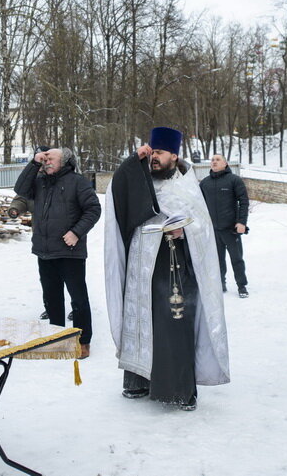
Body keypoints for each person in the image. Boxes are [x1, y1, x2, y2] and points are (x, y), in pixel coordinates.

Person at [105, 127, 230, 410]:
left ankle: (179, 390)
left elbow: (203, 228)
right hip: (142, 270)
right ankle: (138, 382)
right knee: (141, 321)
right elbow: (118, 192)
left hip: (175, 267)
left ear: (174, 155)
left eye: (159, 153)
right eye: (151, 152)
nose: (154, 158)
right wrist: (131, 160)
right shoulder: (140, 179)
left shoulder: (187, 186)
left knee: (173, 327)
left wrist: (184, 232)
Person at [14, 147, 101, 358]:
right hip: (44, 250)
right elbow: (21, 189)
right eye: (45, 159)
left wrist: (76, 232)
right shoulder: (40, 181)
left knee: (78, 299)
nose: (47, 161)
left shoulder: (77, 182)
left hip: (70, 251)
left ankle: (82, 341)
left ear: (65, 161)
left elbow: (94, 209)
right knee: (52, 297)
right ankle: (56, 336)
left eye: (51, 158)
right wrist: (34, 163)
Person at [199, 154, 250, 297]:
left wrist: (241, 222)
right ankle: (220, 284)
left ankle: (242, 286)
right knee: (217, 260)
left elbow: (244, 202)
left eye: (218, 160)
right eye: (212, 160)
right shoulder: (204, 183)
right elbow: (199, 206)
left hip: (231, 229)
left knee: (237, 259)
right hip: (213, 230)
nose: (214, 162)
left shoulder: (234, 180)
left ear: (225, 164)